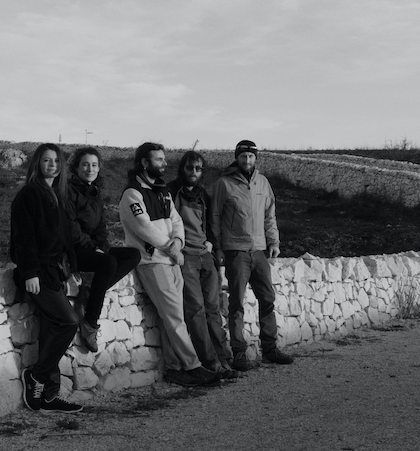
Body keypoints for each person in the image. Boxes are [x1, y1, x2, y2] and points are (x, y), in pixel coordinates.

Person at [119, 142, 220, 387]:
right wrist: (171, 246)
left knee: (172, 317)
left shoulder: (162, 191)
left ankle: (175, 368)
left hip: (171, 259)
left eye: (164, 159)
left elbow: (175, 218)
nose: (165, 164)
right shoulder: (133, 194)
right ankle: (193, 366)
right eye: (159, 160)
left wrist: (177, 240)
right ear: (144, 162)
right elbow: (143, 227)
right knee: (175, 316)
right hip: (153, 262)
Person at [10, 143, 83, 413]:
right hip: (38, 274)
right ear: (37, 164)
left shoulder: (58, 196)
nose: (51, 164)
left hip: (56, 273)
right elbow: (23, 237)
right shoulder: (29, 194)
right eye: (46, 160)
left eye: (56, 161)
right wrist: (30, 272)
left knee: (52, 330)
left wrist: (72, 268)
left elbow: (65, 240)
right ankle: (37, 375)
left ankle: (49, 396)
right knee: (68, 321)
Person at [210, 139, 294, 371]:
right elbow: (215, 217)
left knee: (267, 298)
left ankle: (270, 349)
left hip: (259, 250)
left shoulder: (263, 183)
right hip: (235, 250)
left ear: (256, 158)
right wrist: (218, 247)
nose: (247, 160)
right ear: (236, 158)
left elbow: (270, 214)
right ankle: (238, 353)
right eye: (243, 156)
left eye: (251, 156)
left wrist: (274, 241)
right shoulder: (223, 184)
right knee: (236, 303)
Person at [166, 150, 238, 379]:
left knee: (213, 309)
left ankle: (224, 359)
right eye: (190, 168)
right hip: (185, 256)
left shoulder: (202, 194)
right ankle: (209, 362)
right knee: (195, 310)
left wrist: (211, 244)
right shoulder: (170, 191)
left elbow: (209, 223)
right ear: (182, 169)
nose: (194, 173)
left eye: (198, 169)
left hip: (205, 256)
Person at [68, 147, 141, 352]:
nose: (89, 168)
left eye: (94, 165)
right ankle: (90, 322)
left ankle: (91, 291)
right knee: (108, 262)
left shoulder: (95, 194)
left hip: (93, 249)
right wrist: (94, 249)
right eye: (85, 164)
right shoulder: (68, 192)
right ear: (76, 167)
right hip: (75, 251)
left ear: (99, 168)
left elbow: (101, 228)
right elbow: (71, 230)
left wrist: (101, 247)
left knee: (132, 254)